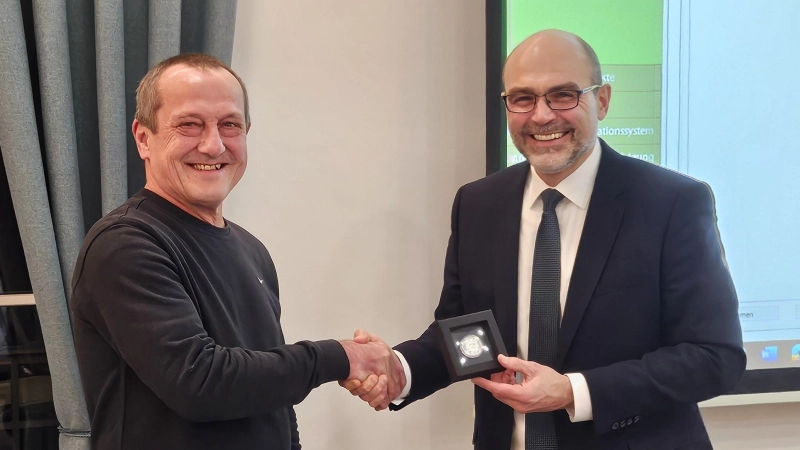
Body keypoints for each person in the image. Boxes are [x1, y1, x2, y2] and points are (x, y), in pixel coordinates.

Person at [344, 30, 745, 449]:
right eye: (522, 98)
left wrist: (573, 392)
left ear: (603, 100)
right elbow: (465, 332)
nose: (541, 116)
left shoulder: (672, 203)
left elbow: (715, 356)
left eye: (563, 95)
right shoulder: (478, 203)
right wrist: (400, 370)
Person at [69, 53, 405, 450]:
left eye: (229, 125)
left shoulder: (251, 250)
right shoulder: (125, 244)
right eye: (189, 125)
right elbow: (200, 382)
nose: (213, 145)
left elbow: (271, 399)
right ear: (144, 138)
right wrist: (341, 357)